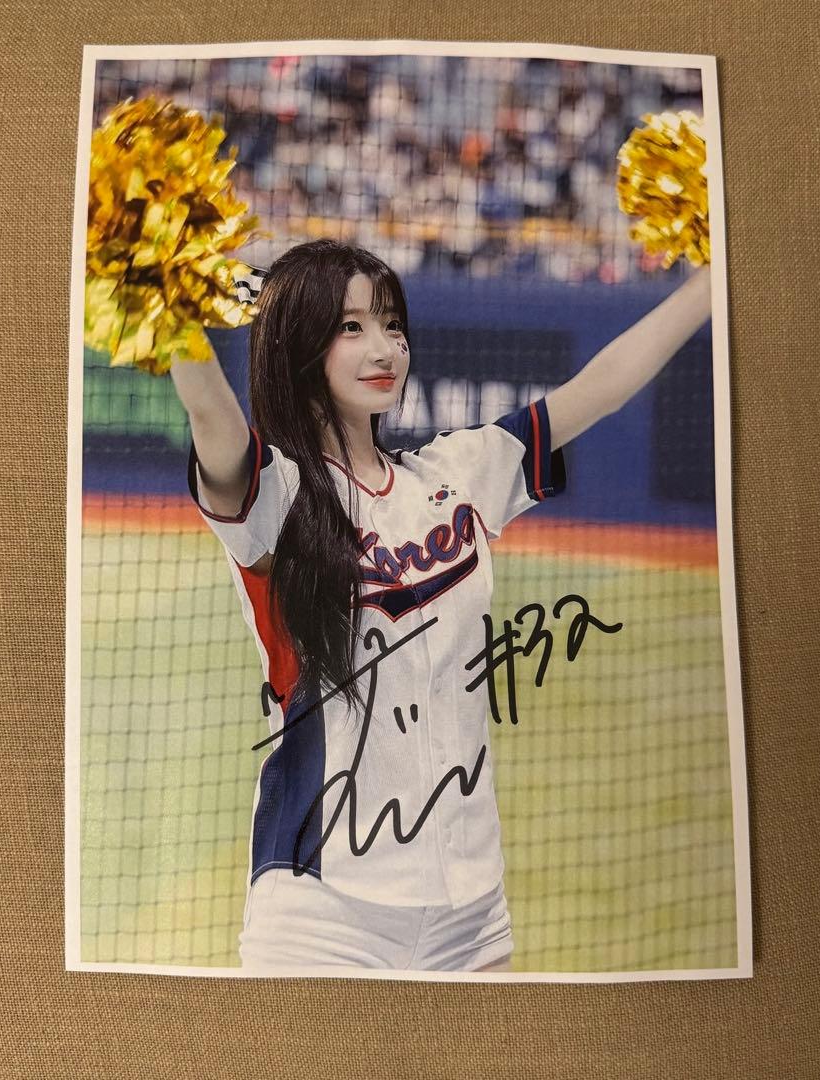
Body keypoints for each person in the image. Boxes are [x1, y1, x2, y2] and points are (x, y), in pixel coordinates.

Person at [169, 239, 713, 973]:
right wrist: (167, 315)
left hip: (473, 912)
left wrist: (709, 285)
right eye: (352, 326)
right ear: (300, 345)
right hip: (322, 914)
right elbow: (214, 422)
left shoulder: (459, 473)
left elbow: (603, 387)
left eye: (391, 323)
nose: (384, 346)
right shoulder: (278, 497)